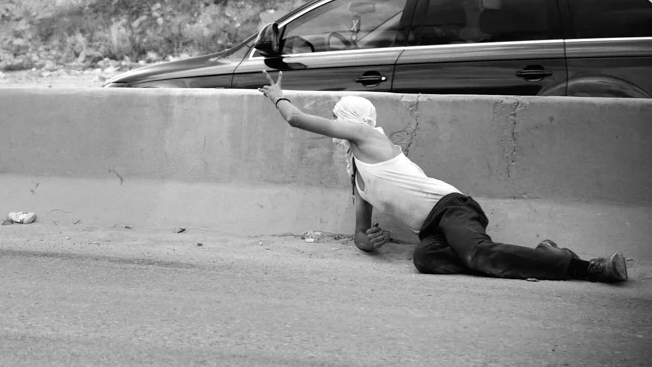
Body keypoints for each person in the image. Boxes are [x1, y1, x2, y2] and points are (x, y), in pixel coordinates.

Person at [258, 71, 628, 283]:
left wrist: (277, 95)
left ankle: (585, 267)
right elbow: (359, 232)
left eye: (339, 121)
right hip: (432, 231)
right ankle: (536, 257)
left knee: (479, 255)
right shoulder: (359, 175)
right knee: (425, 259)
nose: (337, 128)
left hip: (453, 208)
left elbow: (295, 119)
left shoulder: (370, 137)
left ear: (349, 124)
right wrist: (366, 243)